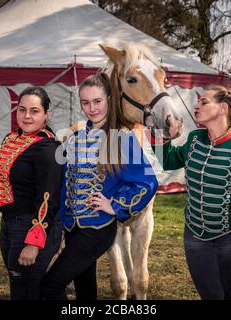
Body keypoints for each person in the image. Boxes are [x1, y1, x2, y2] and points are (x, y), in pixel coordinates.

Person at [40, 73, 158, 300]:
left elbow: (147, 181)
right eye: (85, 102)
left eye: (97, 101)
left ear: (109, 101)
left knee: (50, 286)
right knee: (85, 292)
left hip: (98, 228)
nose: (91, 108)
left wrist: (116, 205)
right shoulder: (74, 138)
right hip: (73, 227)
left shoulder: (121, 137)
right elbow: (63, 180)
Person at [155, 84, 231, 300]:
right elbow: (168, 161)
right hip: (195, 236)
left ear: (222, 109)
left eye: (204, 102)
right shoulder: (194, 139)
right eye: (197, 101)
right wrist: (162, 136)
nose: (196, 105)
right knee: (210, 295)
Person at [0, 86, 63, 300]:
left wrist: (34, 242)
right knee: (29, 285)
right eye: (21, 109)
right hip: (9, 223)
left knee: (24, 290)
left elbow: (49, 198)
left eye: (34, 111)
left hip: (34, 226)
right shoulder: (11, 138)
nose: (26, 116)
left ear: (46, 114)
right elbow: (5, 177)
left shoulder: (48, 148)